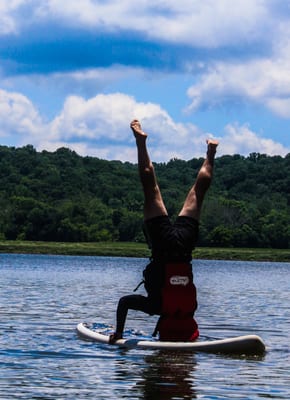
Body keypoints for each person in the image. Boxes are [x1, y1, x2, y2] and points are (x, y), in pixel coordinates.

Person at [109, 119, 218, 343]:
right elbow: (125, 302)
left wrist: (118, 336)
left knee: (198, 193)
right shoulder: (158, 307)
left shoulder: (189, 308)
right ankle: (142, 142)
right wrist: (120, 332)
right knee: (151, 188)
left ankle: (210, 153)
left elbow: (123, 303)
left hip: (183, 247)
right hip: (163, 245)